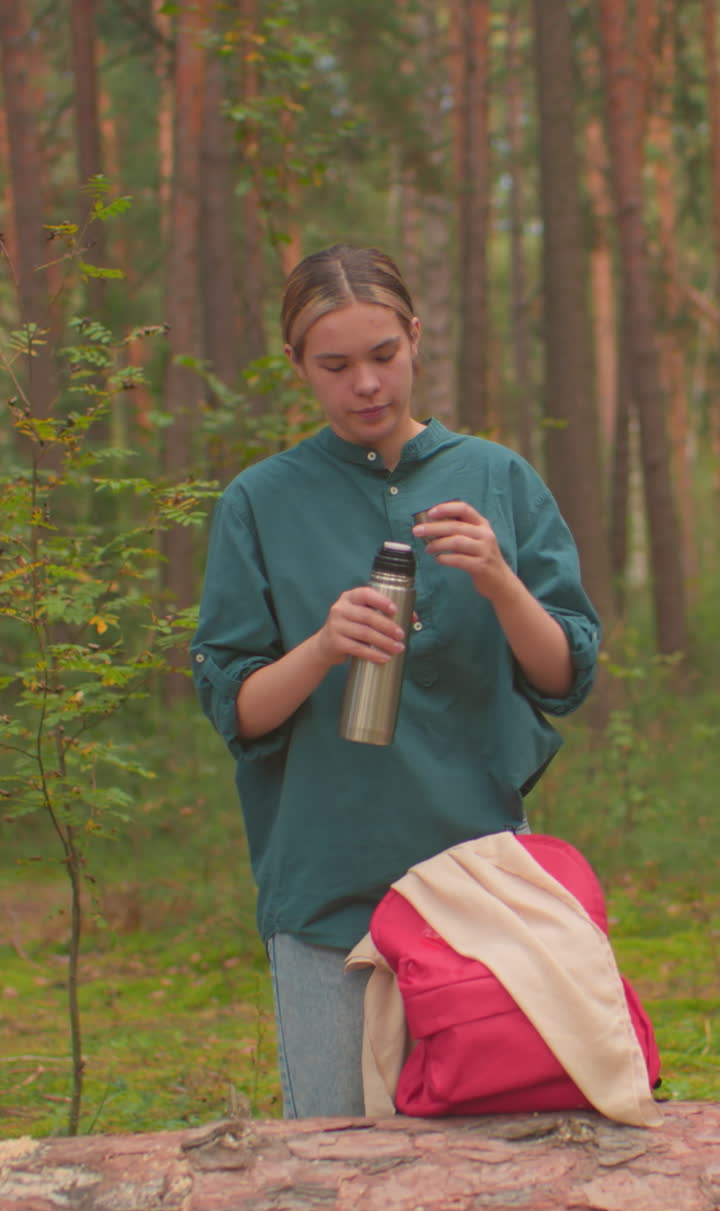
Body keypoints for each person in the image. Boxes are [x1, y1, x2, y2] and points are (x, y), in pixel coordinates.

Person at [191, 243, 601, 1119]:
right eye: (335, 365)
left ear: (416, 339)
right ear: (297, 365)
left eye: (383, 355)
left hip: (478, 878)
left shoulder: (495, 478)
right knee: (335, 1170)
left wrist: (497, 576)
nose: (366, 384)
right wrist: (322, 647)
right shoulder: (260, 503)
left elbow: (566, 671)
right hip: (327, 886)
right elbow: (239, 710)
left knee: (499, 1159)